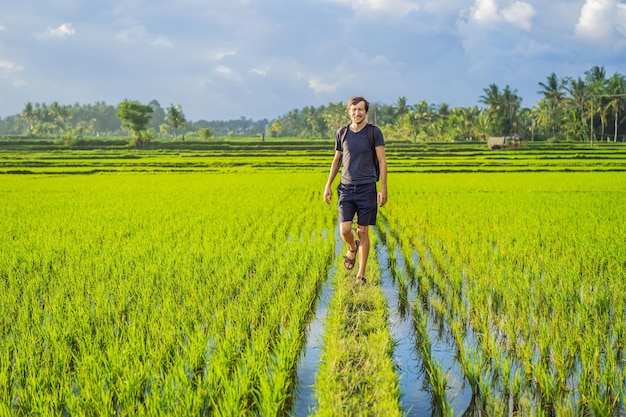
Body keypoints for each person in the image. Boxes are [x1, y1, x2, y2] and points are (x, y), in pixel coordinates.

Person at [323, 96, 387, 284]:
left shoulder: (374, 133)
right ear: (349, 112)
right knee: (344, 230)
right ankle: (352, 248)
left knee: (363, 231)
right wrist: (327, 185)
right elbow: (337, 160)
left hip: (367, 188)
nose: (357, 113)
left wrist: (383, 187)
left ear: (366, 112)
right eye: (353, 110)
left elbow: (382, 161)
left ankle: (361, 274)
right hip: (346, 189)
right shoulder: (342, 133)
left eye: (360, 110)